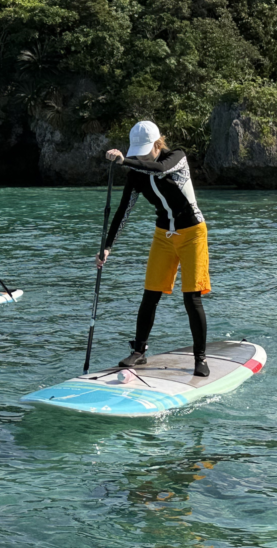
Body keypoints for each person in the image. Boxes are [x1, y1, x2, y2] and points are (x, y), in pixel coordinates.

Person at [96, 120, 213, 376]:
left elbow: (159, 168)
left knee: (191, 297)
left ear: (158, 143)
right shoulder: (136, 175)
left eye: (145, 149)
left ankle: (200, 358)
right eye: (136, 151)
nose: (140, 154)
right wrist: (107, 247)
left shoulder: (177, 158)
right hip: (163, 236)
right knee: (150, 294)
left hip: (193, 233)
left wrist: (124, 161)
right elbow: (123, 210)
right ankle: (139, 351)